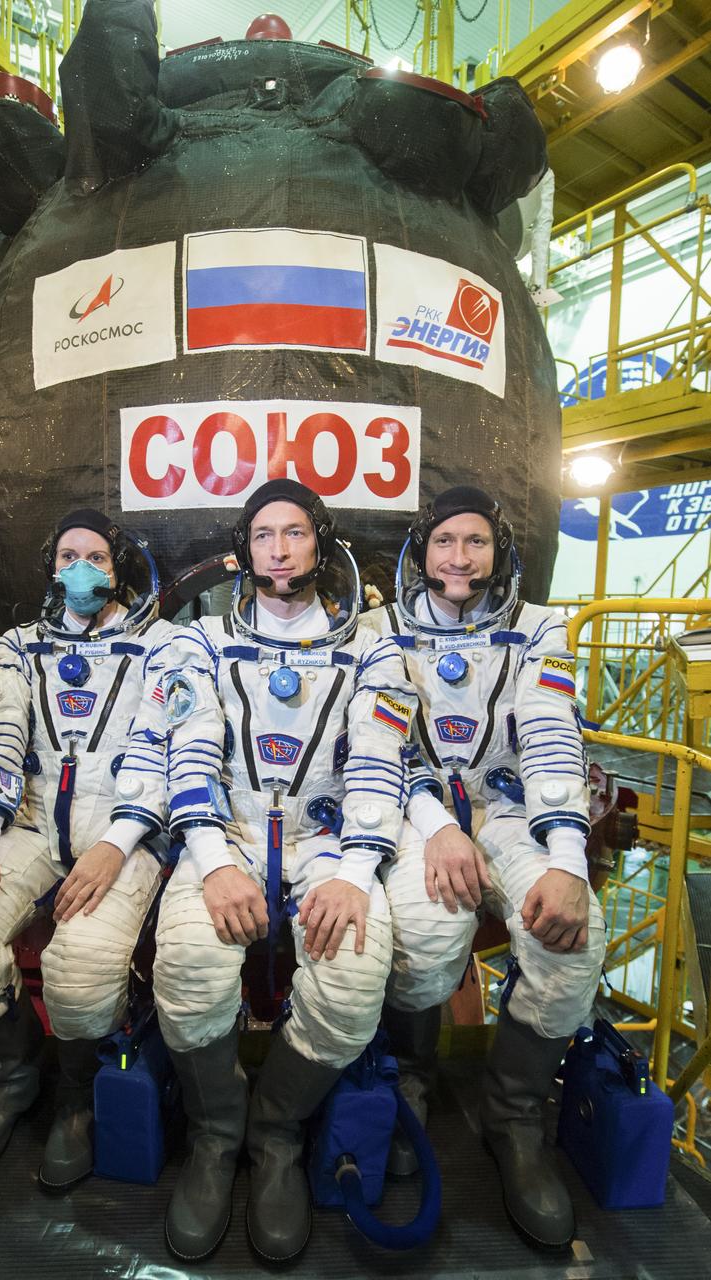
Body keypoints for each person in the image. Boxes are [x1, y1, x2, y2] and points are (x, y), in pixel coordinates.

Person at [153, 479, 416, 1263]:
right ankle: (215, 1132)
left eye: (293, 532)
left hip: (328, 840)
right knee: (191, 964)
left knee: (352, 981)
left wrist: (356, 874)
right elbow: (188, 753)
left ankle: (275, 1132)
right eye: (263, 534)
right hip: (226, 833)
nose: (278, 548)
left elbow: (377, 763)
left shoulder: (373, 649)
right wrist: (208, 860)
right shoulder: (194, 642)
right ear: (244, 549)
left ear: (319, 542)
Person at [371, 485, 605, 1252]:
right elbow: (375, 752)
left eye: (475, 541)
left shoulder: (540, 630)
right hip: (418, 814)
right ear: (422, 550)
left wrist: (565, 858)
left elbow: (548, 737)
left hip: (509, 813)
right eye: (444, 542)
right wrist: (438, 826)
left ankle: (512, 1118)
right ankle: (408, 1083)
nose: (459, 557)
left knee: (573, 942)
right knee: (424, 929)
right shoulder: (380, 629)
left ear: (499, 551)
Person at [0, 509, 171, 1189]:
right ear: (51, 569)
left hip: (124, 832)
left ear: (118, 568)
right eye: (67, 556)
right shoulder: (15, 648)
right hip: (29, 827)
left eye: (94, 556)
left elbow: (163, 753)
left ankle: (76, 1099)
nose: (80, 568)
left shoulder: (166, 647)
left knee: (81, 968)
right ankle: (13, 1075)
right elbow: (1, 736)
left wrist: (120, 843)